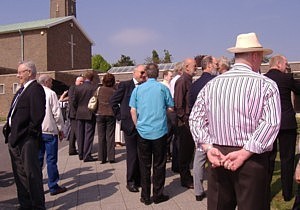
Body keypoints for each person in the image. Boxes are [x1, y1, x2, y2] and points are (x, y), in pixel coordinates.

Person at [189, 32, 281, 210]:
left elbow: (195, 119)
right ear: (254, 56)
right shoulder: (265, 84)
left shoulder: (212, 85)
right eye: (261, 57)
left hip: (219, 156)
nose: (261, 61)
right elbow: (271, 123)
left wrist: (208, 147)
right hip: (251, 160)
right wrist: (246, 152)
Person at [129, 63, 174, 205]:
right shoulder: (162, 88)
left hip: (143, 131)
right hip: (159, 130)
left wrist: (137, 125)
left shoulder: (138, 90)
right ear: (158, 74)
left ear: (146, 74)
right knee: (159, 165)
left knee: (144, 165)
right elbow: (171, 108)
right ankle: (158, 194)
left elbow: (132, 110)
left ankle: (145, 196)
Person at [5, 61, 46, 209]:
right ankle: (25, 204)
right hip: (15, 138)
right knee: (20, 175)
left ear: (29, 72)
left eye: (21, 72)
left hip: (26, 140)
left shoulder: (35, 89)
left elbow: (37, 116)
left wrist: (28, 134)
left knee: (32, 175)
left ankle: (37, 206)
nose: (18, 75)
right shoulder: (21, 90)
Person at [265, 55, 300, 201]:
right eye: (285, 64)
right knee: (287, 158)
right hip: (287, 122)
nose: (286, 67)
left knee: (268, 158)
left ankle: (264, 192)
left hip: (269, 123)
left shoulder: (263, 79)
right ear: (279, 64)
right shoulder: (287, 78)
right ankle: (287, 193)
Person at [110, 64, 146, 193]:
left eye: (145, 72)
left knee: (142, 154)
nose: (144, 75)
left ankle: (140, 179)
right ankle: (130, 181)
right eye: (141, 72)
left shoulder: (146, 86)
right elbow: (113, 101)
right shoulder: (125, 85)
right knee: (132, 155)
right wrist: (121, 116)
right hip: (129, 125)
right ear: (134, 73)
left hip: (143, 125)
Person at [189, 55, 218, 201]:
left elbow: (191, 106)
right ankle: (217, 189)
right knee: (216, 158)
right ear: (209, 65)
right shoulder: (215, 82)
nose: (217, 67)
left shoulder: (194, 85)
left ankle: (198, 191)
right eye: (215, 64)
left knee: (199, 159)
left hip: (200, 126)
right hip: (214, 126)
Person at [38, 74, 67, 196]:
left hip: (38, 131)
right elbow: (57, 113)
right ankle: (53, 186)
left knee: (38, 160)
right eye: (50, 81)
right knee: (51, 160)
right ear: (47, 82)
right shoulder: (51, 94)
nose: (52, 84)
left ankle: (37, 186)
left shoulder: (35, 93)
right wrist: (61, 129)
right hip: (50, 131)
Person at [174, 58, 197, 189]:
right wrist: (184, 119)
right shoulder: (182, 81)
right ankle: (185, 179)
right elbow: (178, 104)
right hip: (184, 123)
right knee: (184, 152)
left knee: (189, 152)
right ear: (187, 67)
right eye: (194, 66)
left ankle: (187, 176)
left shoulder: (189, 80)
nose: (196, 68)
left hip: (189, 121)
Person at [73, 71, 97, 162]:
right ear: (92, 78)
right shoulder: (94, 88)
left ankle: (81, 154)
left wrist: (77, 110)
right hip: (90, 113)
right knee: (88, 135)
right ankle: (87, 155)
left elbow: (74, 102)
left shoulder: (78, 88)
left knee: (80, 134)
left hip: (80, 112)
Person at [95, 73, 116, 164]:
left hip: (100, 114)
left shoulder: (99, 90)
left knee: (101, 136)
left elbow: (94, 99)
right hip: (111, 114)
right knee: (110, 136)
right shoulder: (114, 91)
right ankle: (111, 157)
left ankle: (102, 157)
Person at [169, 62, 184, 173]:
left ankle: (176, 164)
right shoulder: (179, 80)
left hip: (173, 111)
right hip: (176, 112)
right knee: (178, 139)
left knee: (176, 139)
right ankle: (178, 164)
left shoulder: (174, 80)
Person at [67, 76, 84, 155]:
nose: (81, 83)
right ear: (76, 81)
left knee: (73, 132)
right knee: (77, 132)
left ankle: (72, 149)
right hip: (75, 114)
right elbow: (72, 101)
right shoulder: (73, 88)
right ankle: (81, 150)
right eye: (80, 81)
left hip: (73, 113)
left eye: (82, 82)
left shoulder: (74, 88)